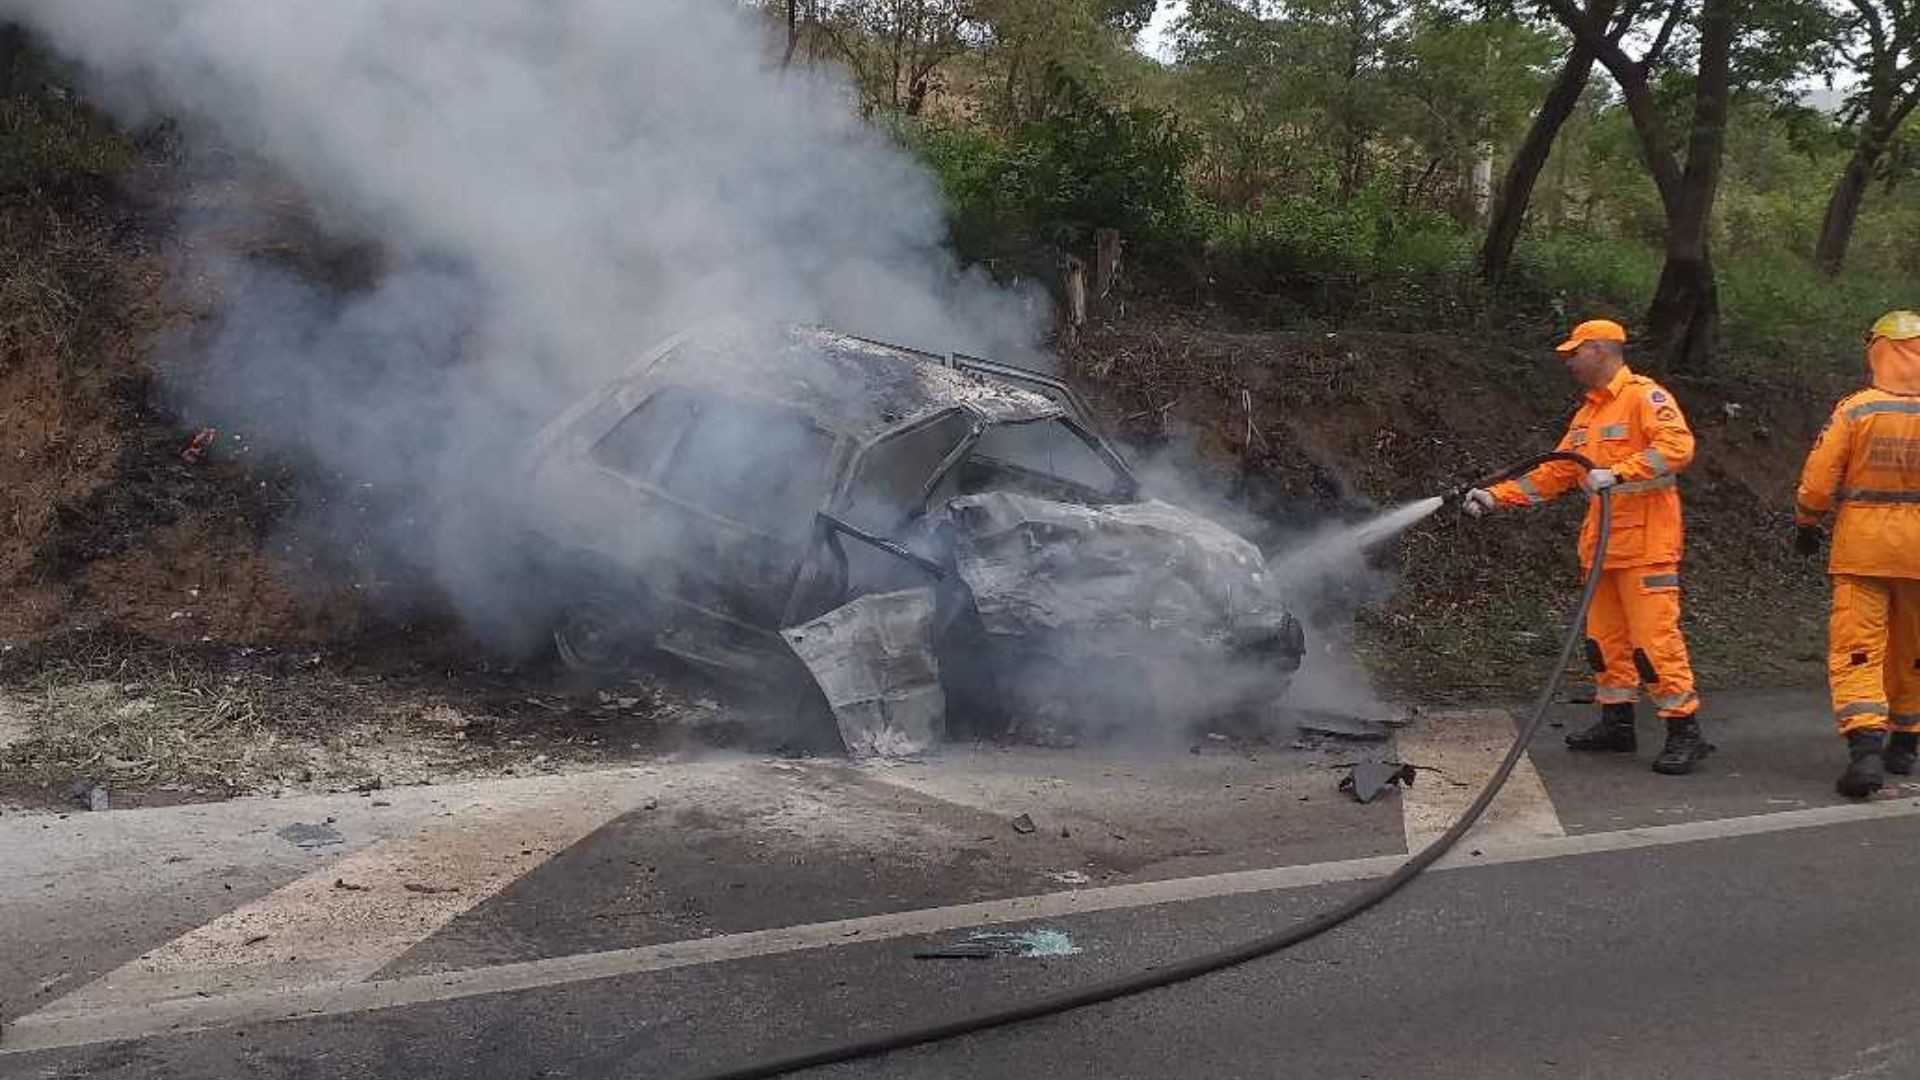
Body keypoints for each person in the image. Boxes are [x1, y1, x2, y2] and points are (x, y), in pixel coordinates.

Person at [1463, 318, 1710, 774]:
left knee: (1655, 644)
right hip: (1603, 550)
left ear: (1599, 350)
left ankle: (1684, 732)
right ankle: (1617, 725)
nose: (1569, 362)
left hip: (1647, 548)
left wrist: (1618, 472)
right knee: (1604, 644)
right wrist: (1497, 496)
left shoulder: (1644, 397)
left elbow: (1677, 448)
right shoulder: (1588, 414)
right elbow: (1557, 472)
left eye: (1574, 352)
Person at [1794, 310, 1920, 798]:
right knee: (1912, 649)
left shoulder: (1857, 410)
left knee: (1859, 648)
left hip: (1864, 551)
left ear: (1880, 351)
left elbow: (1818, 480)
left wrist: (1807, 522)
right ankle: (1905, 742)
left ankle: (1866, 749)